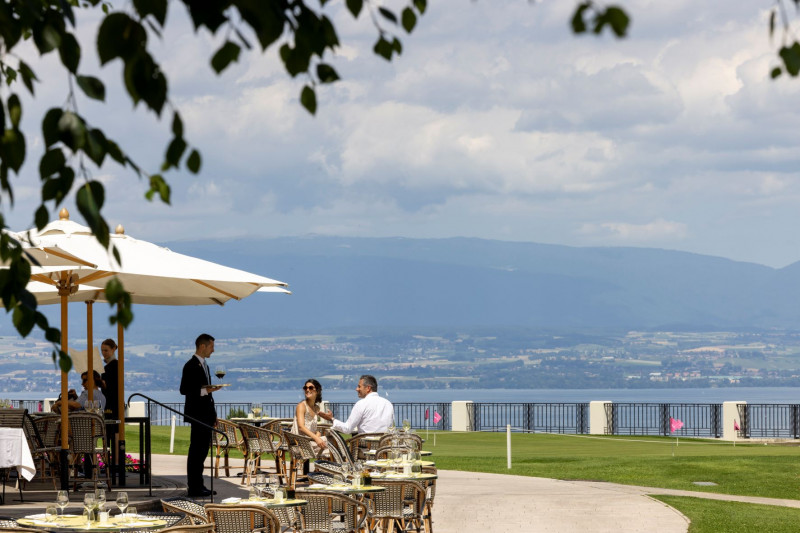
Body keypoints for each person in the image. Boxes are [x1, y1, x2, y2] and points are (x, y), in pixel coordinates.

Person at [179, 333, 221, 497]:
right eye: (211, 346)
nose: (213, 350)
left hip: (206, 416)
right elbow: (184, 389)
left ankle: (199, 485)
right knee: (196, 452)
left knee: (202, 452)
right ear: (202, 346)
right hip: (197, 416)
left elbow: (207, 396)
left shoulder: (205, 366)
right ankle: (194, 487)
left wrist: (213, 415)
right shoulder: (190, 365)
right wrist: (206, 390)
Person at [319, 375, 394, 434]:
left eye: (359, 386)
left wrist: (331, 419)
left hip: (366, 445)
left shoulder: (361, 404)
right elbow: (391, 427)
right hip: (385, 445)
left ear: (368, 388)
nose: (356, 389)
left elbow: (347, 429)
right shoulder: (388, 404)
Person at [291, 379, 328, 457]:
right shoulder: (301, 406)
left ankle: (326, 464)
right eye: (305, 388)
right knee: (332, 443)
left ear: (317, 391)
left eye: (310, 388)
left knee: (332, 441)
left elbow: (311, 425)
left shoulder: (316, 408)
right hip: (299, 443)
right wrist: (316, 438)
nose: (307, 390)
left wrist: (317, 433)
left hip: (310, 441)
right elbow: (301, 427)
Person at [100, 338, 119, 419]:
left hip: (112, 402)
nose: (103, 353)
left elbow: (111, 385)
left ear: (113, 349)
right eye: (102, 350)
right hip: (109, 401)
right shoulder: (111, 366)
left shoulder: (114, 366)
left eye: (106, 350)